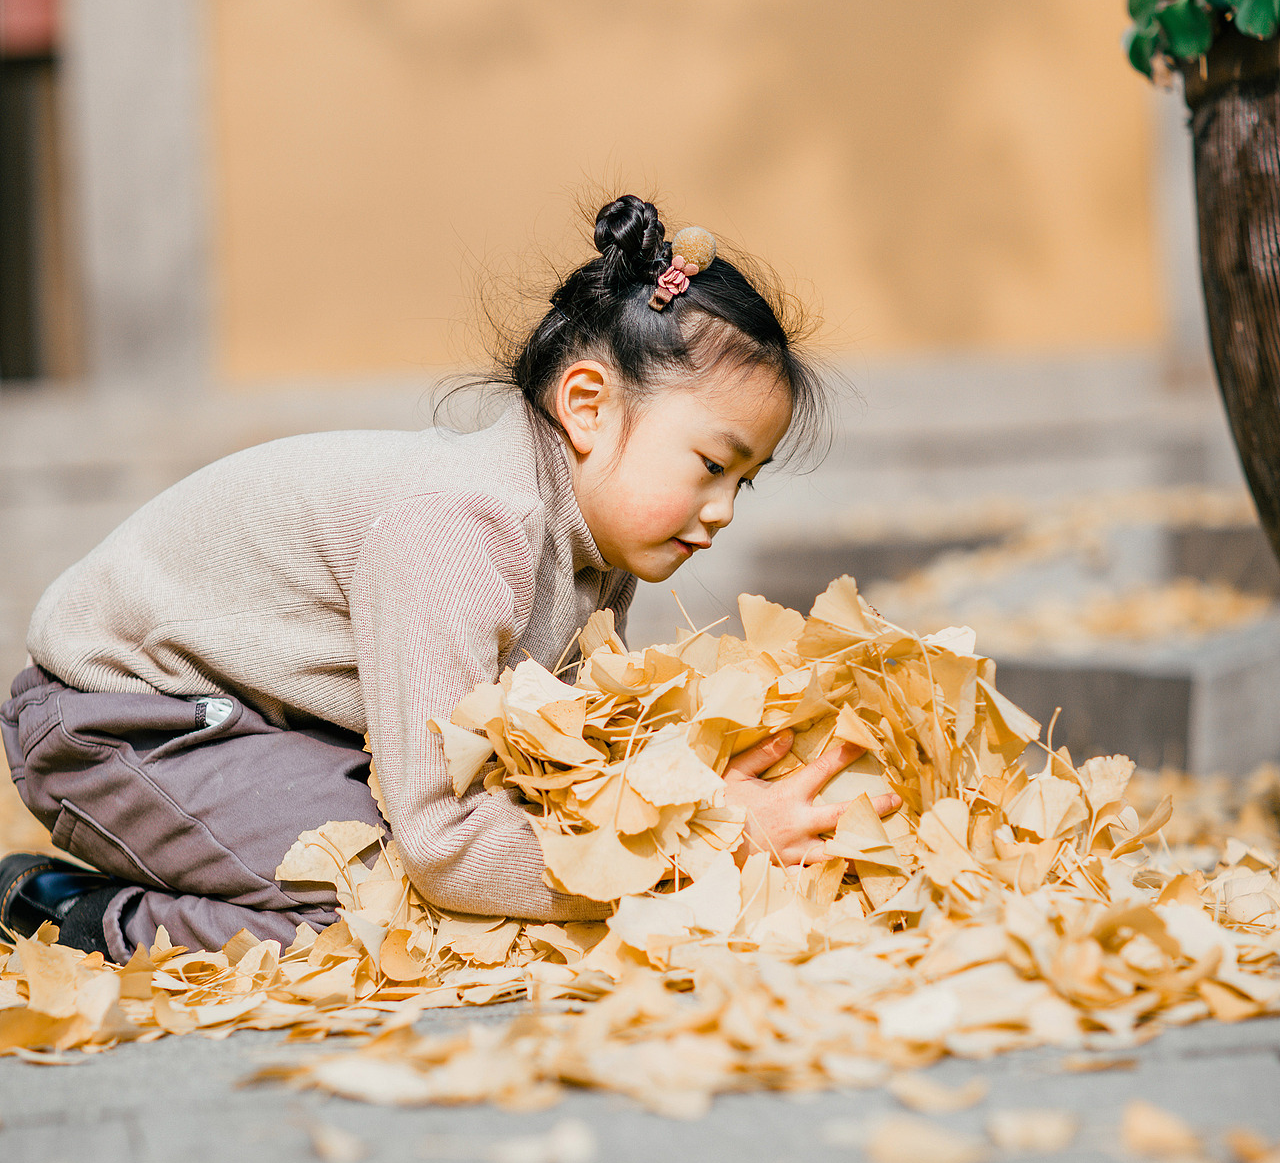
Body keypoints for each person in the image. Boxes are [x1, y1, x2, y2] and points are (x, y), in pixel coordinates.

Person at [0, 194, 899, 961]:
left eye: (745, 481)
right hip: (120, 721)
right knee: (380, 897)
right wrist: (701, 849)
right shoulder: (460, 528)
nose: (724, 509)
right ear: (587, 407)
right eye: (710, 465)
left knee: (468, 874)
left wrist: (692, 785)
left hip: (267, 727)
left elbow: (546, 776)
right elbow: (443, 844)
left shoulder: (595, 551)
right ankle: (71, 911)